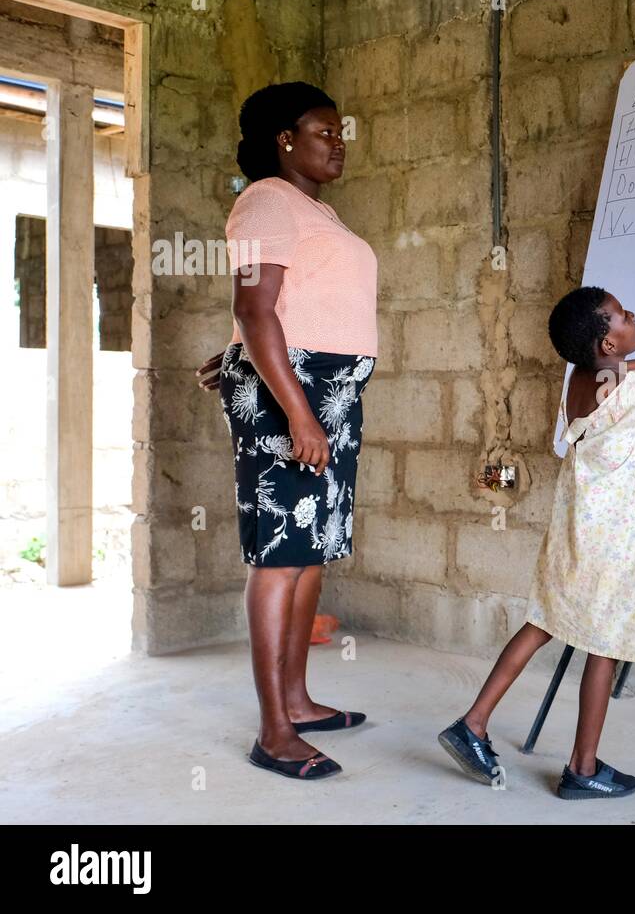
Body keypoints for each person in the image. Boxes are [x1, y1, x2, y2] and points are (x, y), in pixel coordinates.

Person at [438, 287, 635, 798]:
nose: (632, 315)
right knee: (605, 645)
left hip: (575, 526)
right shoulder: (631, 389)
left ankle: (472, 723)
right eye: (621, 315)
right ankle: (582, 769)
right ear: (609, 343)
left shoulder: (585, 375)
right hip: (613, 537)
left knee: (543, 620)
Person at [195, 81, 378, 780]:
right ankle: (274, 732)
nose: (338, 142)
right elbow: (255, 307)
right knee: (279, 555)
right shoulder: (267, 199)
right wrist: (296, 409)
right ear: (284, 139)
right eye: (324, 131)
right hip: (296, 401)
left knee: (308, 553)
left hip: (325, 394)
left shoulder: (311, 212)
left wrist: (246, 361)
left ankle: (298, 702)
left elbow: (290, 307)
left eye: (340, 132)